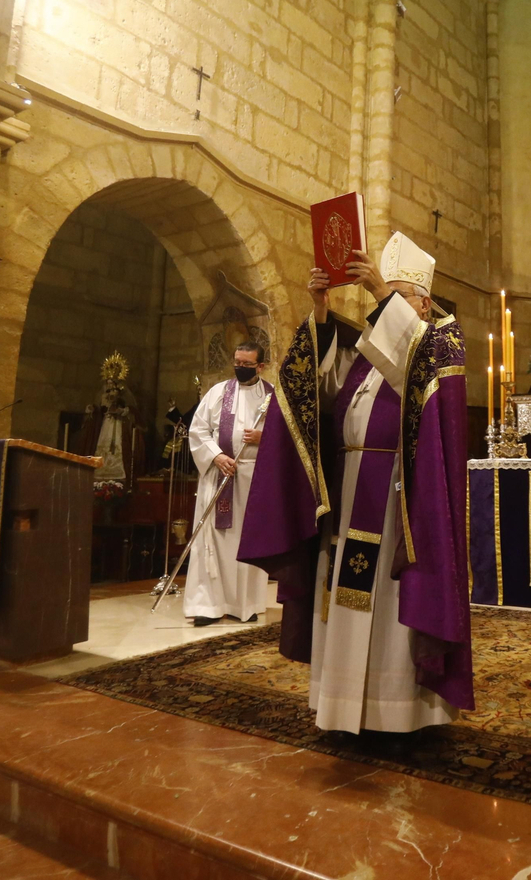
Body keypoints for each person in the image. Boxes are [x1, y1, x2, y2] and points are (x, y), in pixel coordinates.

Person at [240, 233, 472, 735]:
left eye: (397, 295)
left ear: (423, 303)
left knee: (385, 608)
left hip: (399, 506)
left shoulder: (441, 343)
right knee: (342, 601)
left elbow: (415, 371)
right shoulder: (366, 358)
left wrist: (377, 294)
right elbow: (314, 395)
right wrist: (320, 311)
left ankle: (395, 714)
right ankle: (344, 705)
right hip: (348, 500)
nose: (383, 307)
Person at [181, 342, 271, 627]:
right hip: (219, 475)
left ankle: (245, 605)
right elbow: (198, 430)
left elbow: (288, 439)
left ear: (260, 366)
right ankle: (207, 605)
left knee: (247, 540)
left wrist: (263, 438)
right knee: (211, 540)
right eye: (237, 362)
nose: (240, 368)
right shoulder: (218, 392)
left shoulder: (272, 397)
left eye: (247, 364)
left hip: (253, 480)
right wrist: (217, 455)